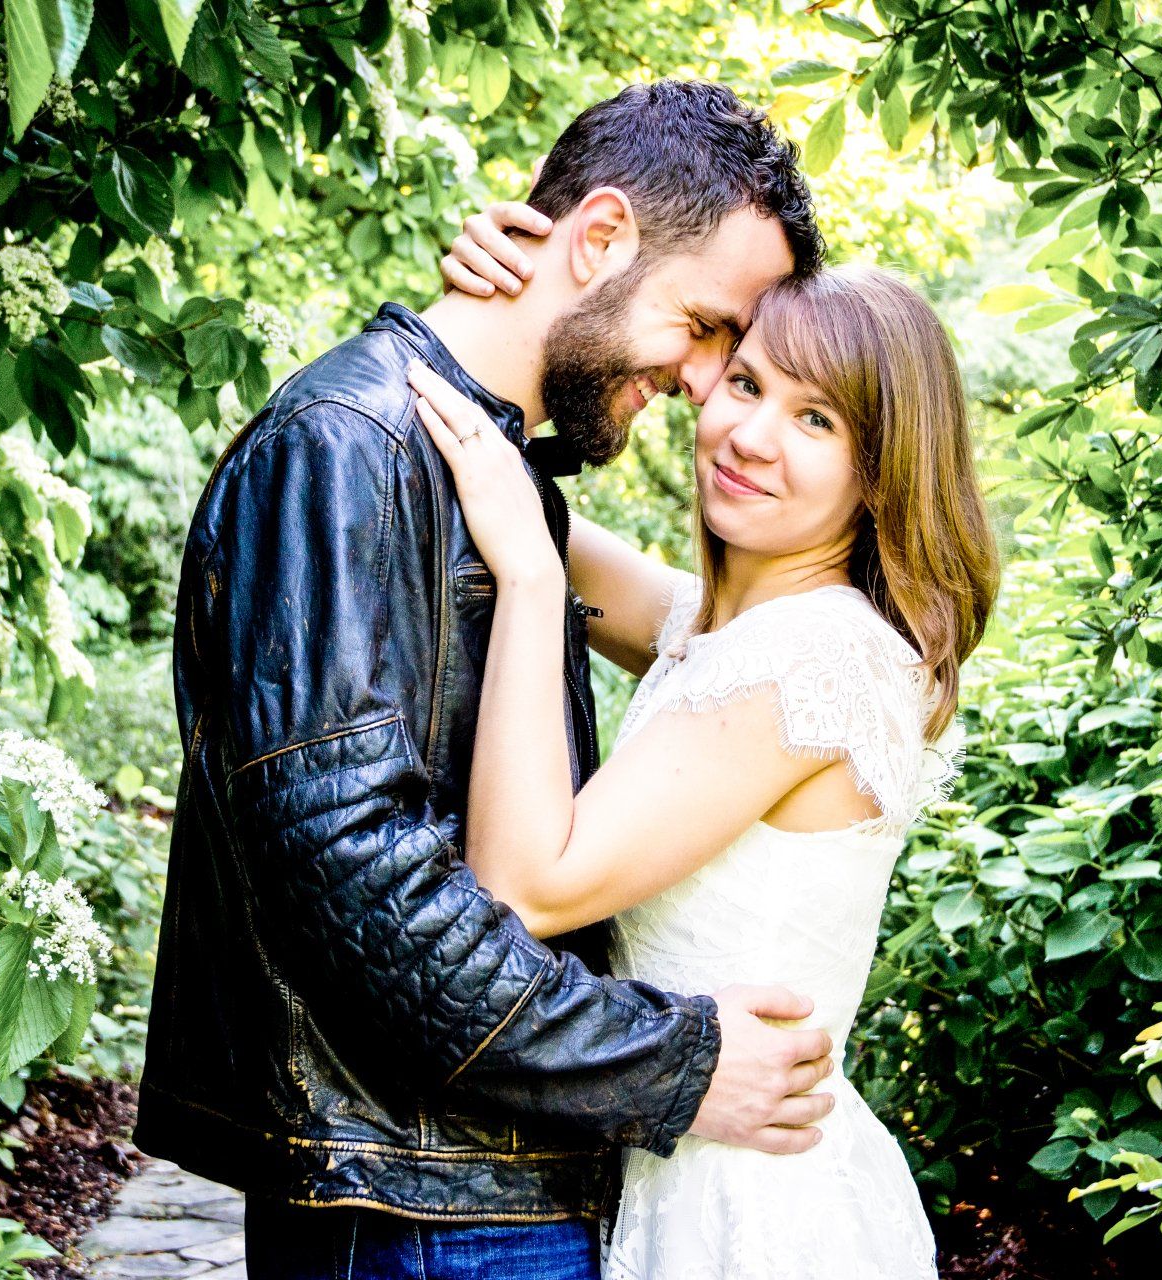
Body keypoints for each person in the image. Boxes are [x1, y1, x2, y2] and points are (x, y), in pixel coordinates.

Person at [133, 82, 839, 1280]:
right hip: (416, 1210)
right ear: (599, 235)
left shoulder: (485, 468)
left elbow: (731, 631)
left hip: (475, 1188)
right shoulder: (346, 447)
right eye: (704, 325)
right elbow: (365, 889)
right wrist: (671, 1064)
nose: (704, 381)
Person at [414, 231, 1000, 1275]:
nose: (751, 436)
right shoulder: (725, 629)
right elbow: (495, 481)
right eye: (747, 383)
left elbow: (527, 885)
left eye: (816, 419)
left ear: (881, 473)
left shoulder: (809, 656)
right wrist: (510, 291)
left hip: (749, 1212)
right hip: (697, 1168)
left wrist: (534, 585)